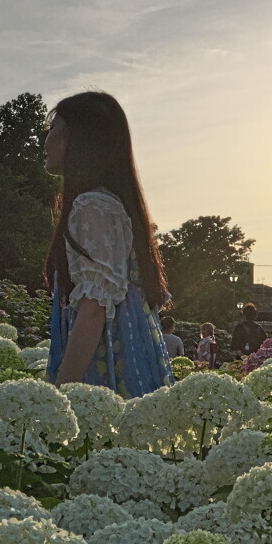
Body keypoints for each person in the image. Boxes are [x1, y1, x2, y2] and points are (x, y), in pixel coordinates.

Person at [44, 91, 173, 398]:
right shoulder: (110, 203)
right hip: (128, 355)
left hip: (105, 367)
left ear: (78, 140)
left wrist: (60, 397)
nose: (45, 141)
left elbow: (93, 310)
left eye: (53, 130)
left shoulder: (93, 206)